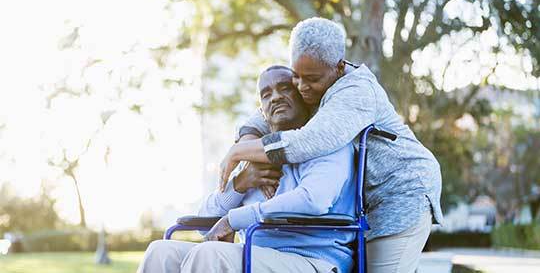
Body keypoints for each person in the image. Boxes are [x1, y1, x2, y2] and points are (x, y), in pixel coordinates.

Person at [219, 17, 443, 273]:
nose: (302, 87)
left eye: (311, 79)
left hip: (400, 191)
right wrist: (246, 139)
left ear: (338, 67)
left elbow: (307, 142)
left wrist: (239, 152)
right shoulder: (315, 81)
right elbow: (264, 113)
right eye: (296, 77)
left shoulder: (355, 92)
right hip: (366, 202)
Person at [138, 65, 357, 273]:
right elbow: (204, 223)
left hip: (313, 258)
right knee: (161, 251)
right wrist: (240, 183)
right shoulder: (254, 152)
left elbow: (313, 199)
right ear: (262, 111)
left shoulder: (327, 140)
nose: (276, 97)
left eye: (284, 88)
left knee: (210, 254)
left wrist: (234, 219)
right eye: (266, 94)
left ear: (303, 95)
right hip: (256, 253)